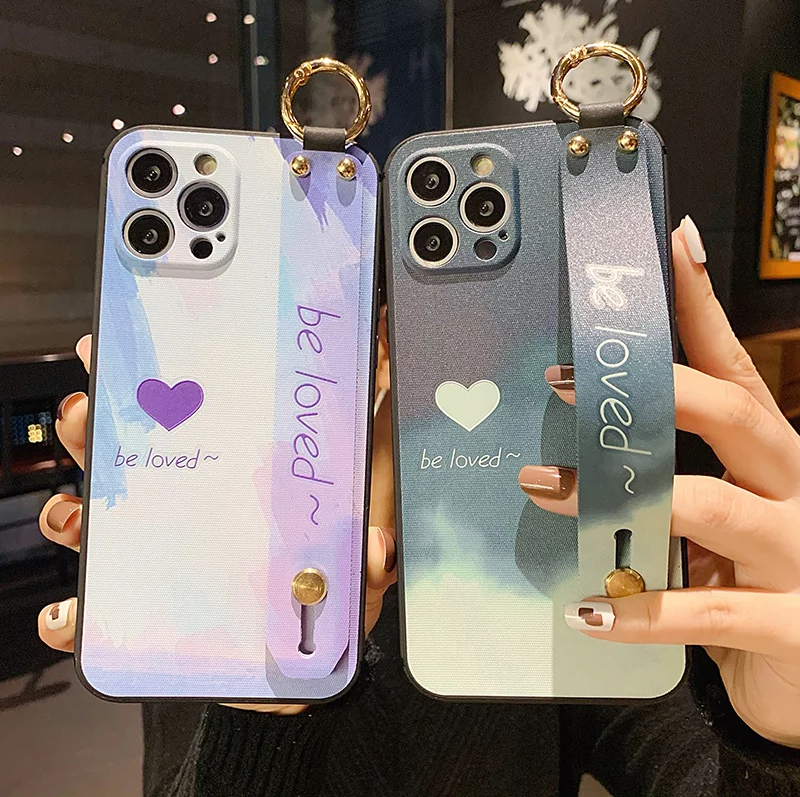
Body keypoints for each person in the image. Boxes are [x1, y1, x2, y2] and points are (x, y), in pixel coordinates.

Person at [36, 218, 800, 796]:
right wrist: (267, 698)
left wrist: (778, 732)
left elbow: (679, 761)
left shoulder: (538, 552)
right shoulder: (230, 561)